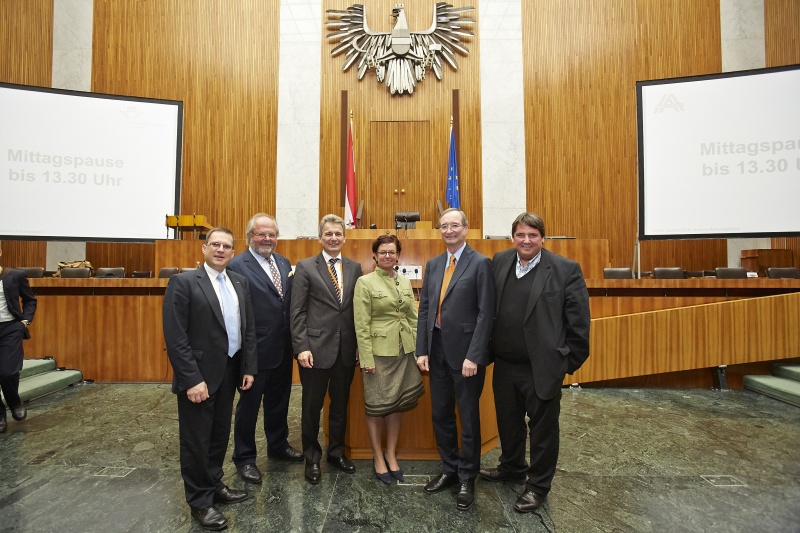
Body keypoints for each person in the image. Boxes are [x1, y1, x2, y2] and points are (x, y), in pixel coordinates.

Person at [479, 212, 590, 513]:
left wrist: (564, 364)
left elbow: (579, 325)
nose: (526, 240)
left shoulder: (565, 270)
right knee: (509, 423)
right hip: (504, 365)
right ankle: (512, 466)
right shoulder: (499, 261)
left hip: (542, 367)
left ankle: (538, 485)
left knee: (543, 430)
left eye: (533, 235)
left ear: (543, 238)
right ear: (512, 237)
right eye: (520, 235)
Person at [162, 227, 258, 531]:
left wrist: (248, 367)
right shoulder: (184, 282)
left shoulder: (239, 282)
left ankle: (214, 484)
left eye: (227, 246)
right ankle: (200, 501)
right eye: (215, 244)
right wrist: (191, 379)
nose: (220, 250)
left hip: (230, 372)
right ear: (204, 249)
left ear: (233, 252)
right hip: (199, 377)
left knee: (218, 436)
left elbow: (248, 330)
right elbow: (175, 337)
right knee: (196, 441)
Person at [416, 208, 496, 511]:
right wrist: (421, 349)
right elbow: (425, 310)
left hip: (466, 356)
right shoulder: (434, 264)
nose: (449, 230)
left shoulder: (480, 264)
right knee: (441, 414)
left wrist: (474, 354)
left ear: (466, 229)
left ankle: (467, 476)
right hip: (435, 351)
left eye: (454, 226)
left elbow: (486, 313)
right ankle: (449, 468)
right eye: (444, 226)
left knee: (468, 418)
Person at [229, 214, 302, 485]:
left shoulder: (282, 262)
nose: (267, 239)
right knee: (248, 407)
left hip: (283, 347)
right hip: (254, 352)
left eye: (271, 234)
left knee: (279, 401)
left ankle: (277, 444)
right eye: (261, 234)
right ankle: (245, 457)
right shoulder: (237, 265)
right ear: (250, 237)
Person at [290, 214, 364, 484]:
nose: (334, 238)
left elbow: (357, 310)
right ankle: (312, 458)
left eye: (338, 233)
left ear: (344, 237)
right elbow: (296, 312)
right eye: (328, 234)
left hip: (345, 351)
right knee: (312, 408)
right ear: (320, 237)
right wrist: (301, 347)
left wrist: (357, 346)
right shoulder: (306, 267)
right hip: (314, 351)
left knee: (340, 405)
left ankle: (336, 452)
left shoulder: (355, 268)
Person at [353, 234, 424, 484]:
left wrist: (418, 351)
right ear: (374, 255)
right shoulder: (365, 282)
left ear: (398, 256)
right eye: (382, 252)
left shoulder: (405, 282)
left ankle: (391, 454)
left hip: (403, 352)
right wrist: (366, 358)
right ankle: (377, 456)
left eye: (391, 252)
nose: (387, 256)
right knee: (376, 406)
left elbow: (412, 319)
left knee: (396, 405)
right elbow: (361, 325)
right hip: (378, 356)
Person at [0, 246, 37, 434]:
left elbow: (30, 300)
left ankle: (14, 402)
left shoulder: (14, 275)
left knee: (8, 371)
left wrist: (24, 321)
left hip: (10, 327)